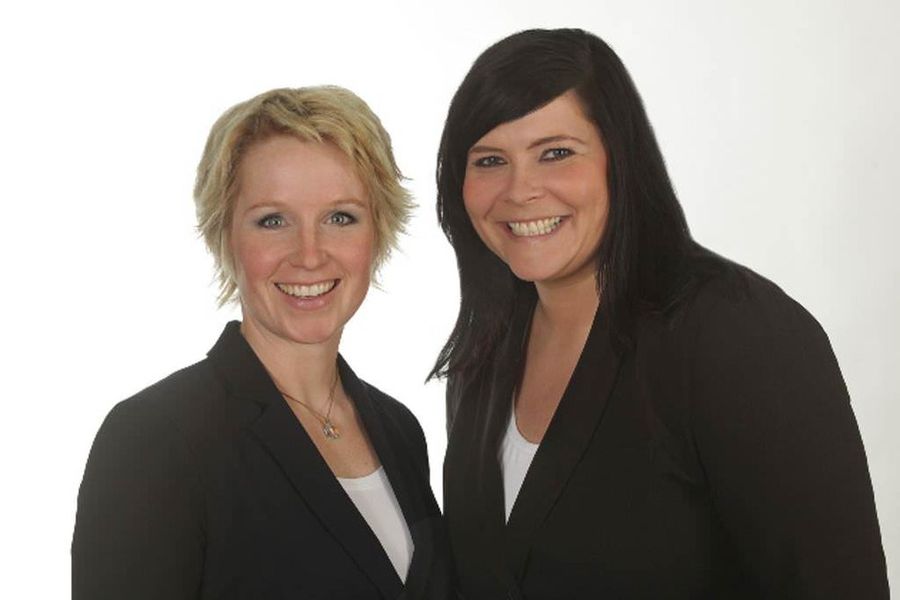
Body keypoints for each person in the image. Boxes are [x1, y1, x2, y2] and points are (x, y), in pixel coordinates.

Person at [432, 28, 889, 598]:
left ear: (619, 159)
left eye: (556, 153)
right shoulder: (484, 357)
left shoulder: (734, 333)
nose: (519, 190)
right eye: (490, 161)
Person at [73, 86, 451, 599]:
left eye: (340, 217)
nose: (310, 255)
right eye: (273, 220)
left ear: (377, 231)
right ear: (225, 236)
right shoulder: (155, 438)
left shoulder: (399, 430)